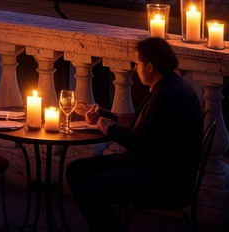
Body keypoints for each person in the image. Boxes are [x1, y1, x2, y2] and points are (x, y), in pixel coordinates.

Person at [66, 37, 205, 231]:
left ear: (149, 67)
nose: (134, 68)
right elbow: (140, 122)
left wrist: (104, 125)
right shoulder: (170, 85)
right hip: (155, 165)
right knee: (75, 170)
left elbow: (137, 141)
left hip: (162, 179)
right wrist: (103, 114)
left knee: (85, 189)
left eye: (138, 63)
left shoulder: (166, 96)